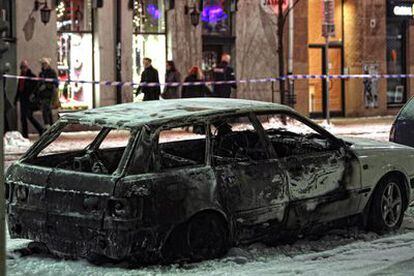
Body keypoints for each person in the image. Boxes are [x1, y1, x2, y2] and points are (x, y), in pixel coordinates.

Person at [14, 60, 44, 138]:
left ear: (27, 67)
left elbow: (35, 86)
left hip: (28, 99)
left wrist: (32, 94)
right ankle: (29, 133)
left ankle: (39, 130)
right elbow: (19, 88)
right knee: (24, 117)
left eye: (24, 67)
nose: (23, 69)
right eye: (21, 67)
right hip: (22, 99)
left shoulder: (31, 76)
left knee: (28, 116)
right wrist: (16, 98)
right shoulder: (21, 76)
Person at [38, 57, 58, 128]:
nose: (43, 65)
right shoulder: (41, 73)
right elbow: (39, 83)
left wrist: (46, 86)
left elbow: (56, 83)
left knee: (46, 109)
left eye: (45, 64)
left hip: (49, 94)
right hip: (43, 94)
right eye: (42, 64)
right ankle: (50, 125)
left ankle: (48, 125)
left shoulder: (52, 72)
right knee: (47, 110)